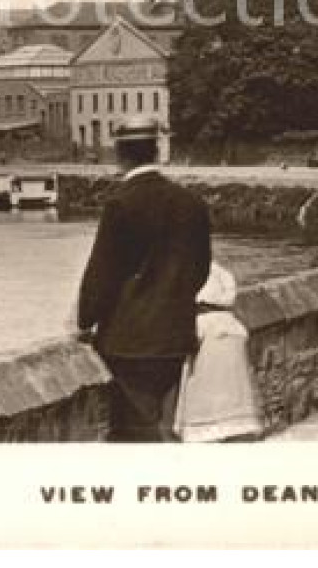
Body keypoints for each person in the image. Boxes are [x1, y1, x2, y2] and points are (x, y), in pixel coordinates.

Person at [76, 113, 212, 441]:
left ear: (119, 152)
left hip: (129, 342)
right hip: (174, 337)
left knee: (137, 434)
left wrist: (85, 320)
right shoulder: (191, 202)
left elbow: (102, 273)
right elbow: (201, 268)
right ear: (154, 150)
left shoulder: (120, 203)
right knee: (165, 429)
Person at [174, 262, 265, 443]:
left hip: (205, 399)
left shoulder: (200, 325)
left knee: (201, 384)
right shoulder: (235, 326)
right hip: (238, 404)